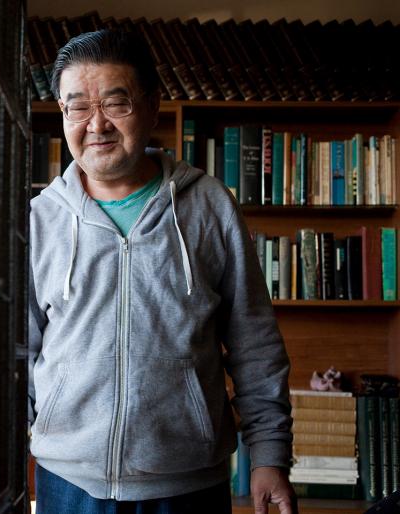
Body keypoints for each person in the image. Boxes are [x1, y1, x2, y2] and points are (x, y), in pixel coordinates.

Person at [27, 29, 297, 514]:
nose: (96, 125)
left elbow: (254, 342)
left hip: (188, 483)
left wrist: (269, 456)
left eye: (116, 103)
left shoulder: (209, 205)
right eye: (77, 108)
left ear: (151, 106)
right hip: (67, 483)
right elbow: (17, 354)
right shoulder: (40, 218)